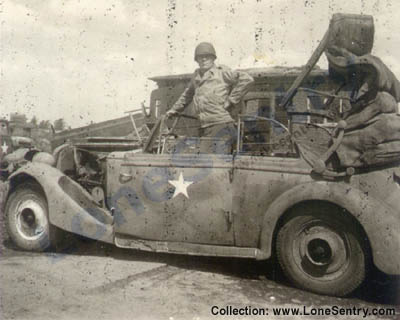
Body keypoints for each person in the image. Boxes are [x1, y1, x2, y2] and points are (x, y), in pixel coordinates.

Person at [166, 42, 254, 153]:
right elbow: (186, 95)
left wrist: (231, 100)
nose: (203, 60)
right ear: (196, 60)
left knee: (210, 161)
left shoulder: (221, 72)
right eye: (200, 57)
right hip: (205, 126)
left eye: (207, 57)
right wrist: (174, 110)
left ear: (213, 59)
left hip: (221, 124)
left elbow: (247, 79)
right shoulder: (196, 77)